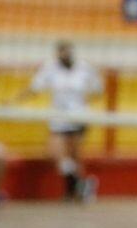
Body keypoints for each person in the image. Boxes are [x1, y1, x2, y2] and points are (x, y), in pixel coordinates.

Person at [12, 41, 101, 202]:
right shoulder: (50, 67)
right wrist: (13, 101)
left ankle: (72, 193)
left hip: (78, 117)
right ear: (58, 53)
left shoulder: (85, 67)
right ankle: (83, 185)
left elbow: (98, 90)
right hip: (58, 118)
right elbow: (35, 88)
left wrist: (83, 103)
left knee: (75, 156)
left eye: (68, 51)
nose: (65, 54)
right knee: (55, 153)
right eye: (62, 52)